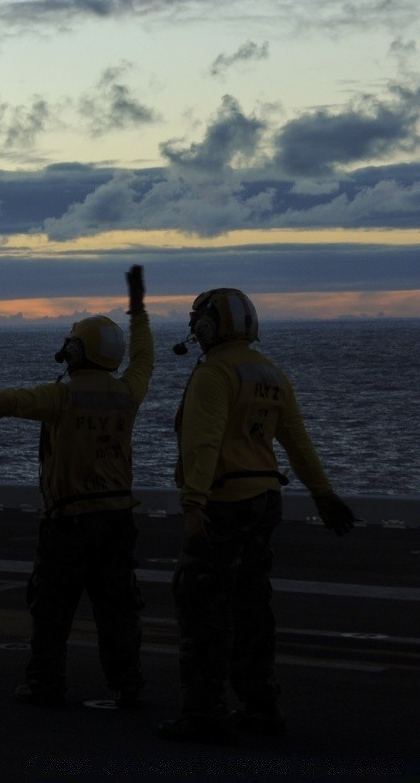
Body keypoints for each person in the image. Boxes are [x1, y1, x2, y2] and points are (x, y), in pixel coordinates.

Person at [0, 265, 152, 708]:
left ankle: (47, 683)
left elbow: (10, 401)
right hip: (118, 521)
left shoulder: (60, 397)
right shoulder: (128, 392)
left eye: (71, 343)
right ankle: (128, 685)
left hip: (69, 523)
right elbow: (145, 358)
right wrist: (138, 310)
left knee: (51, 610)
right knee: (118, 610)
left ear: (80, 351)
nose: (65, 348)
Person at [159, 288, 356, 743]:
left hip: (224, 502)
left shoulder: (214, 374)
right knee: (252, 607)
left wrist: (193, 506)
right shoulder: (271, 374)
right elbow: (298, 443)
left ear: (208, 324)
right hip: (266, 499)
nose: (194, 328)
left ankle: (204, 712)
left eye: (198, 320)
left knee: (204, 609)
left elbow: (202, 445)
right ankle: (260, 705)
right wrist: (324, 495)